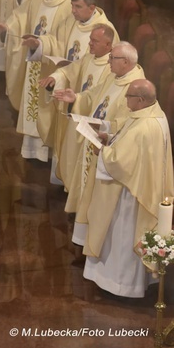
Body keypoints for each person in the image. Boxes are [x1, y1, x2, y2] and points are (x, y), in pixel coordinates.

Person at [83, 79, 174, 297]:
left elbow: (121, 163)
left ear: (141, 100)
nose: (125, 100)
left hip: (130, 195)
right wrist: (112, 139)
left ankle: (120, 285)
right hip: (138, 186)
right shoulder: (153, 115)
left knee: (121, 237)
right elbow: (131, 148)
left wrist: (102, 151)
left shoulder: (145, 126)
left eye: (129, 97)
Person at [53, 41, 145, 248]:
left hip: (107, 147)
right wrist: (75, 97)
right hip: (94, 140)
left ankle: (94, 235)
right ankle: (84, 231)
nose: (109, 62)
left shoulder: (136, 86)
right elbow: (94, 95)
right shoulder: (115, 77)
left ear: (126, 62)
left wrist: (103, 126)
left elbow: (129, 124)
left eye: (112, 59)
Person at [0, 0, 74, 162]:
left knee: (47, 107)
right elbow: (20, 16)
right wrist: (8, 28)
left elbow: (67, 39)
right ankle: (32, 150)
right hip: (34, 61)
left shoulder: (70, 5)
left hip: (53, 67)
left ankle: (48, 152)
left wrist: (42, 44)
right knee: (32, 104)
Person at [37, 25, 115, 184]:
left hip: (94, 122)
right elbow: (68, 71)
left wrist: (78, 100)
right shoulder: (88, 58)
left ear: (108, 45)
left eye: (95, 41)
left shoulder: (112, 67)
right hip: (79, 114)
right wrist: (55, 77)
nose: (90, 43)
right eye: (90, 39)